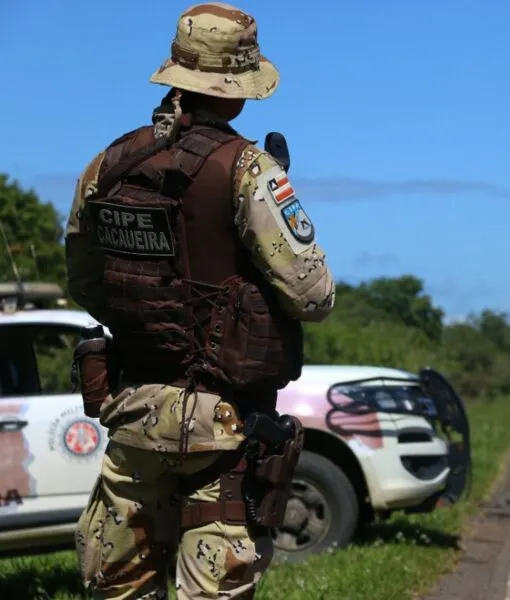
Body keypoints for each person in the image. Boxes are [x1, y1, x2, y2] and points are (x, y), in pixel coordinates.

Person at [64, 3, 335, 598]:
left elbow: (84, 282)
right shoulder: (248, 170)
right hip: (224, 425)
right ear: (238, 92)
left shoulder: (108, 165)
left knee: (120, 589)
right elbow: (313, 295)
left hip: (133, 413)